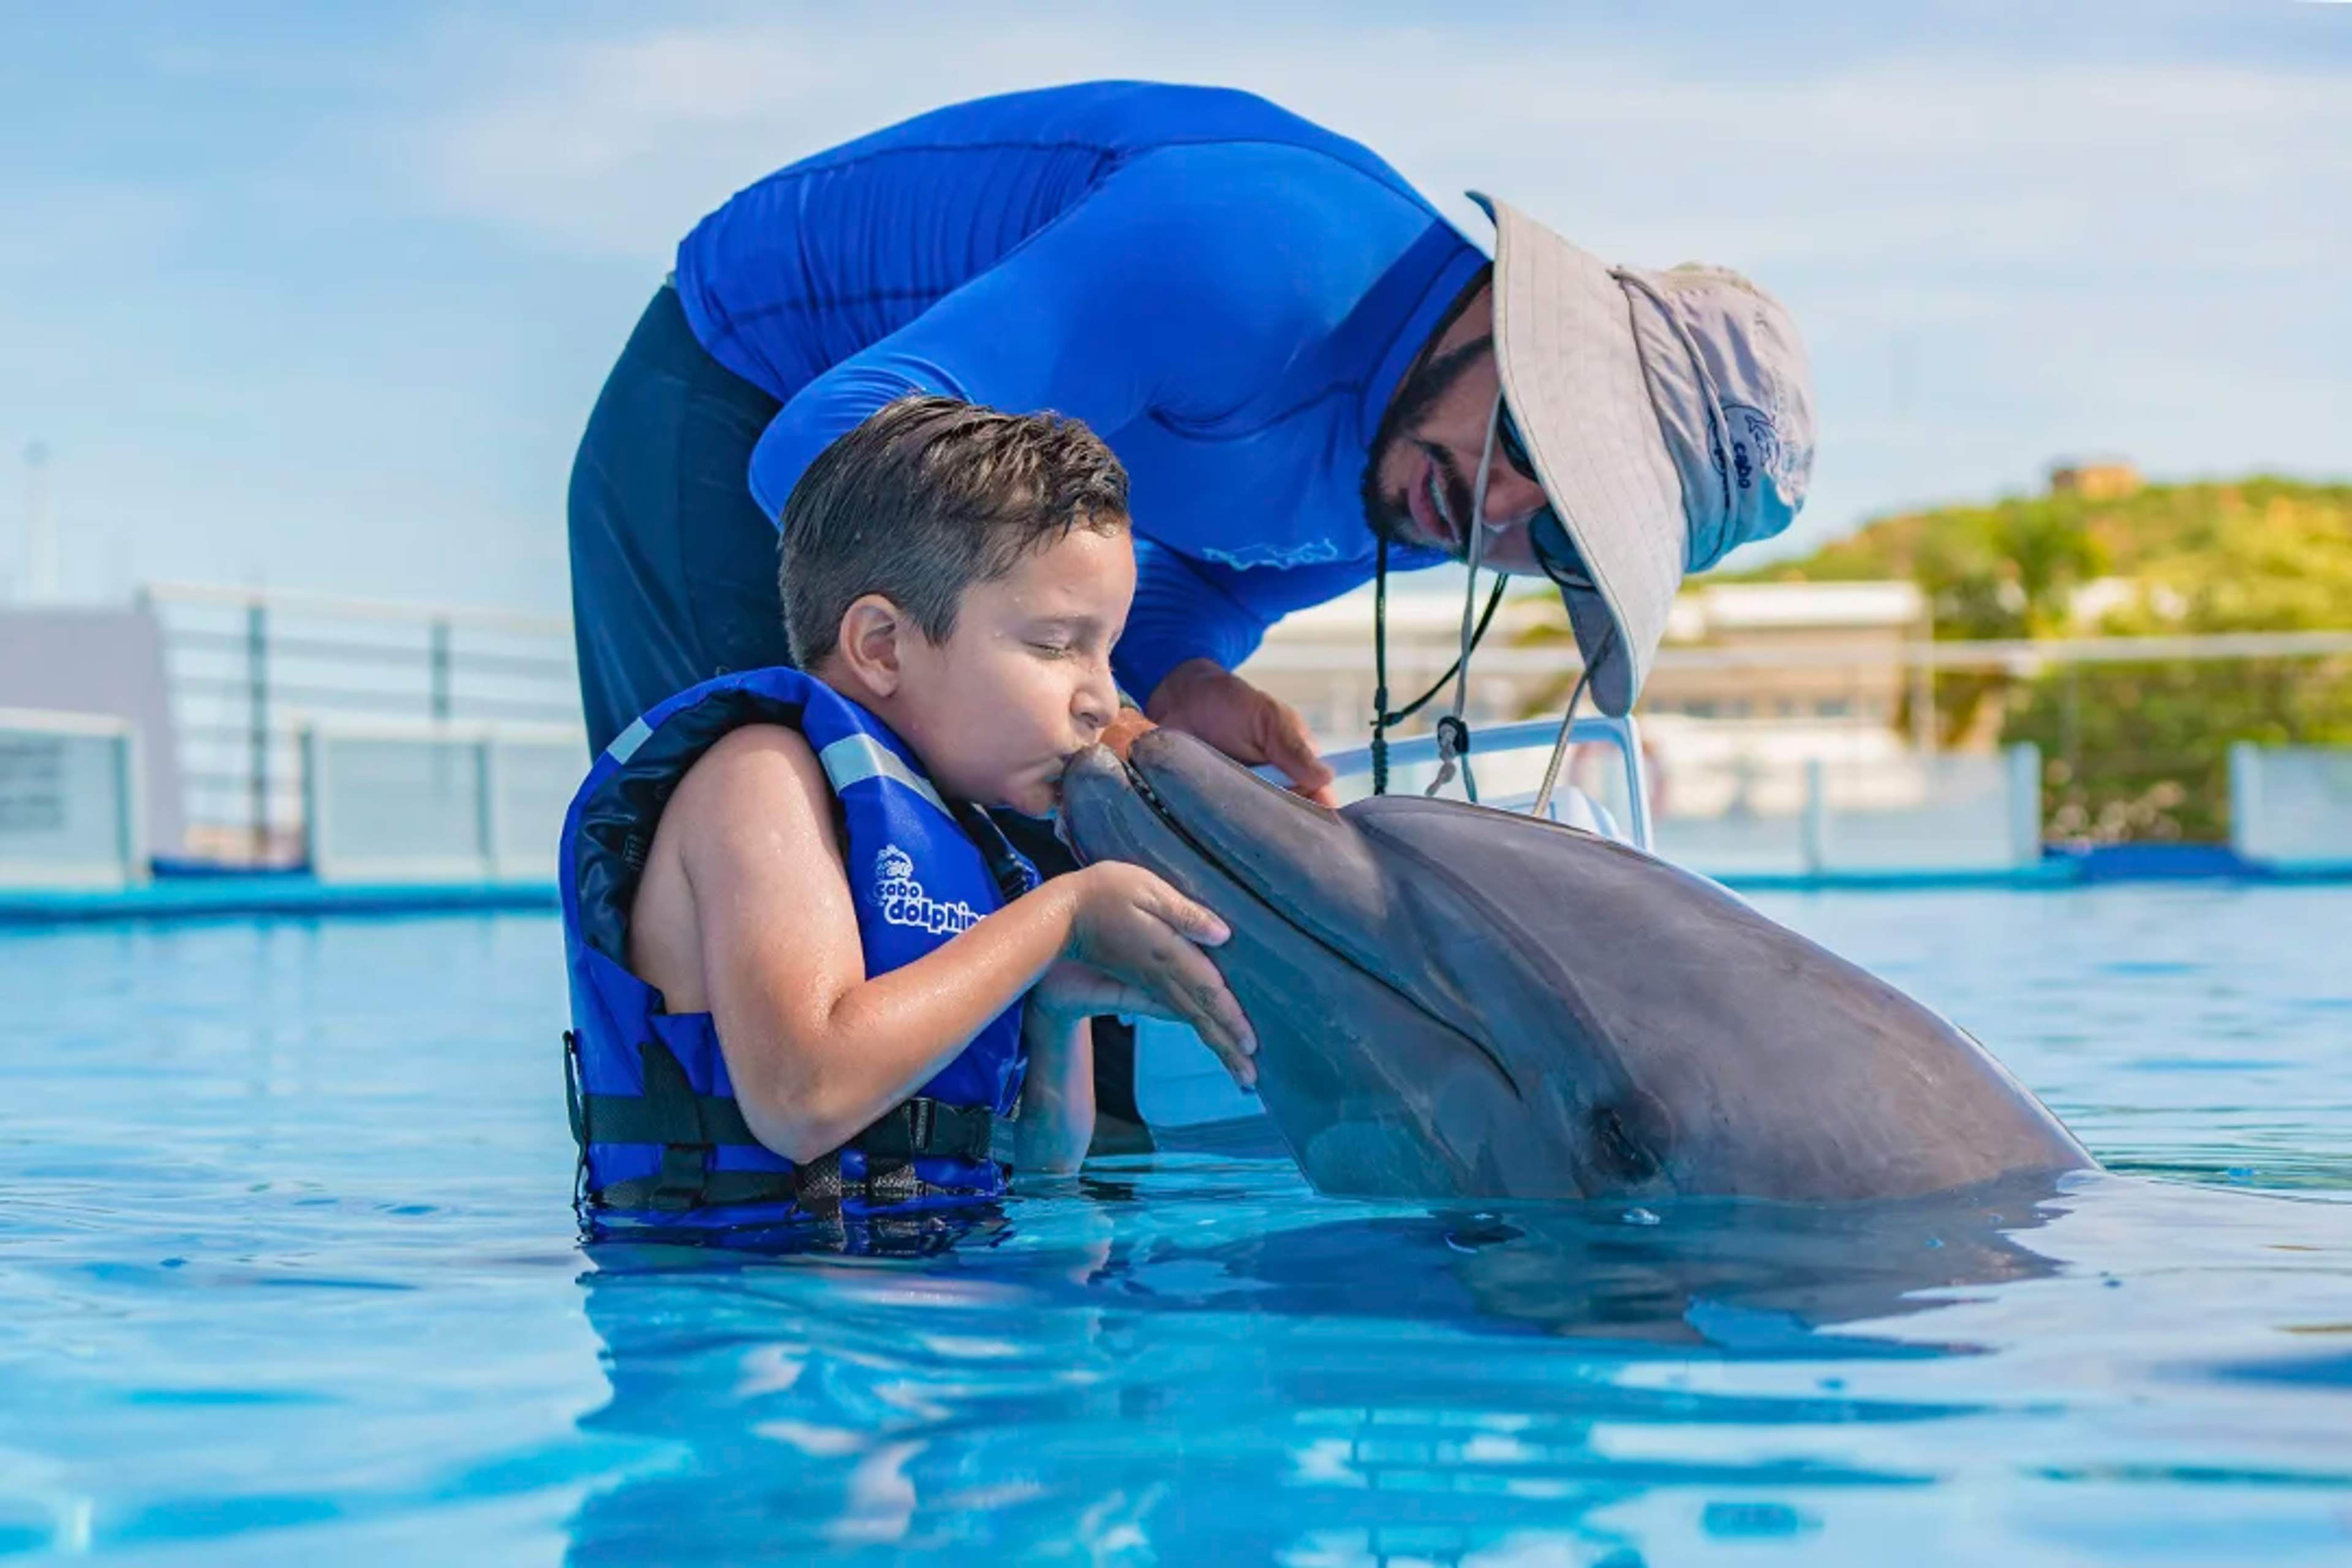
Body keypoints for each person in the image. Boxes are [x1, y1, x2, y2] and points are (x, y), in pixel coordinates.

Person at [559, 398, 1256, 1239]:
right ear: (883, 647)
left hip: (906, 1302)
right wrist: (1058, 918)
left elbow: (1039, 1168)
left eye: (1106, 651)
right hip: (746, 1317)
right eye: (1055, 645)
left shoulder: (966, 842)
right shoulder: (759, 779)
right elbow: (804, 1096)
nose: (1102, 700)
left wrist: (1056, 1008)